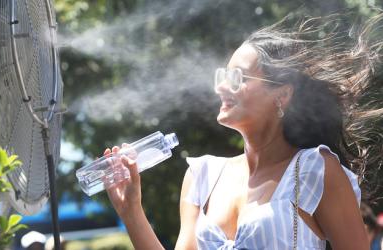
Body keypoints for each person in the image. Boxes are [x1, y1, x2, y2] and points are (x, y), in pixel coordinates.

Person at [102, 13, 383, 250]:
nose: (221, 87)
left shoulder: (315, 170)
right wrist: (131, 212)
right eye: (222, 76)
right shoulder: (203, 176)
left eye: (237, 77)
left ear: (282, 95)